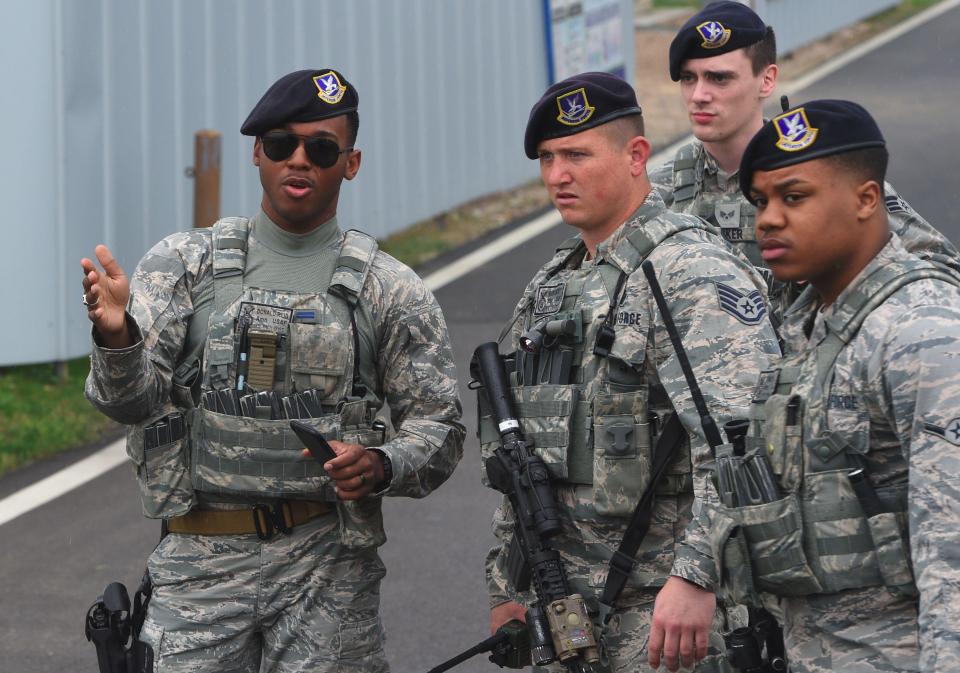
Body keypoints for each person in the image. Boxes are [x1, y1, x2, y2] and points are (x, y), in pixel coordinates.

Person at [81, 68, 464, 673]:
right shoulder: (184, 264)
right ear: (257, 152)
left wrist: (382, 463)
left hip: (328, 565)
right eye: (282, 144)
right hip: (200, 560)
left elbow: (440, 429)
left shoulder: (391, 289)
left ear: (351, 162)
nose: (300, 161)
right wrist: (117, 337)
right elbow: (130, 402)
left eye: (322, 148)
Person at [480, 72, 780, 673]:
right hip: (563, 606)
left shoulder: (687, 271)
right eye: (547, 158)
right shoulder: (556, 280)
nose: (557, 175)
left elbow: (745, 444)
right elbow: (522, 453)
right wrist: (508, 585)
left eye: (577, 156)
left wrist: (697, 577)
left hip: (660, 612)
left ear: (636, 155)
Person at [702, 99, 960, 672]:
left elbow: (953, 546)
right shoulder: (809, 323)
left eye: (794, 197)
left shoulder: (920, 330)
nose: (767, 219)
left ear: (867, 199)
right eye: (760, 201)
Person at [648, 1, 960, 317]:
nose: (699, 95)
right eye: (689, 78)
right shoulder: (658, 193)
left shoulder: (821, 175)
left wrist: (839, 291)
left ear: (766, 80)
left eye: (719, 78)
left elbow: (943, 269)